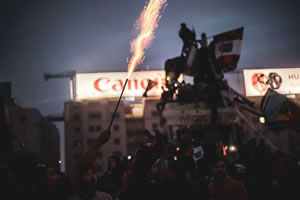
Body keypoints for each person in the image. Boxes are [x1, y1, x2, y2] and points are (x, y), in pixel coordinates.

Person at [32, 129, 111, 200]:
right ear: (42, 182)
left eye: (93, 173)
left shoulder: (106, 197)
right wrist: (99, 142)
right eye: (52, 174)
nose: (57, 176)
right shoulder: (54, 192)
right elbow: (79, 167)